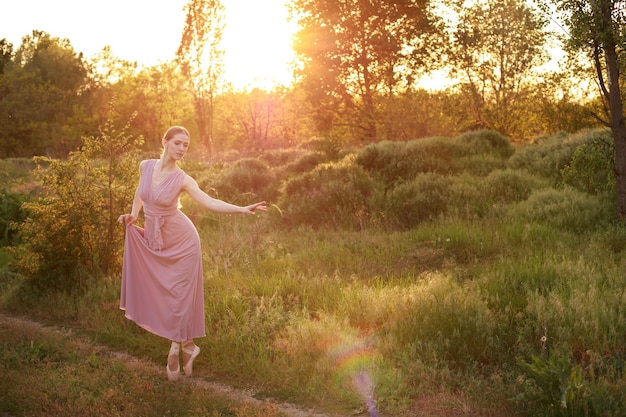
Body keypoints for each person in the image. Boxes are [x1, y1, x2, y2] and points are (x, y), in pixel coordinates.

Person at [117, 126, 266, 381]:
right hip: (157, 237)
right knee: (164, 291)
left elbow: (209, 202)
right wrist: (134, 214)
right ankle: (189, 345)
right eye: (177, 142)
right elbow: (139, 193)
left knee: (180, 293)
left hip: (183, 241)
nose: (182, 148)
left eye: (186, 145)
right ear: (164, 141)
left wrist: (242, 209)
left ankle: (175, 347)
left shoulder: (183, 178)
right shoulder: (146, 166)